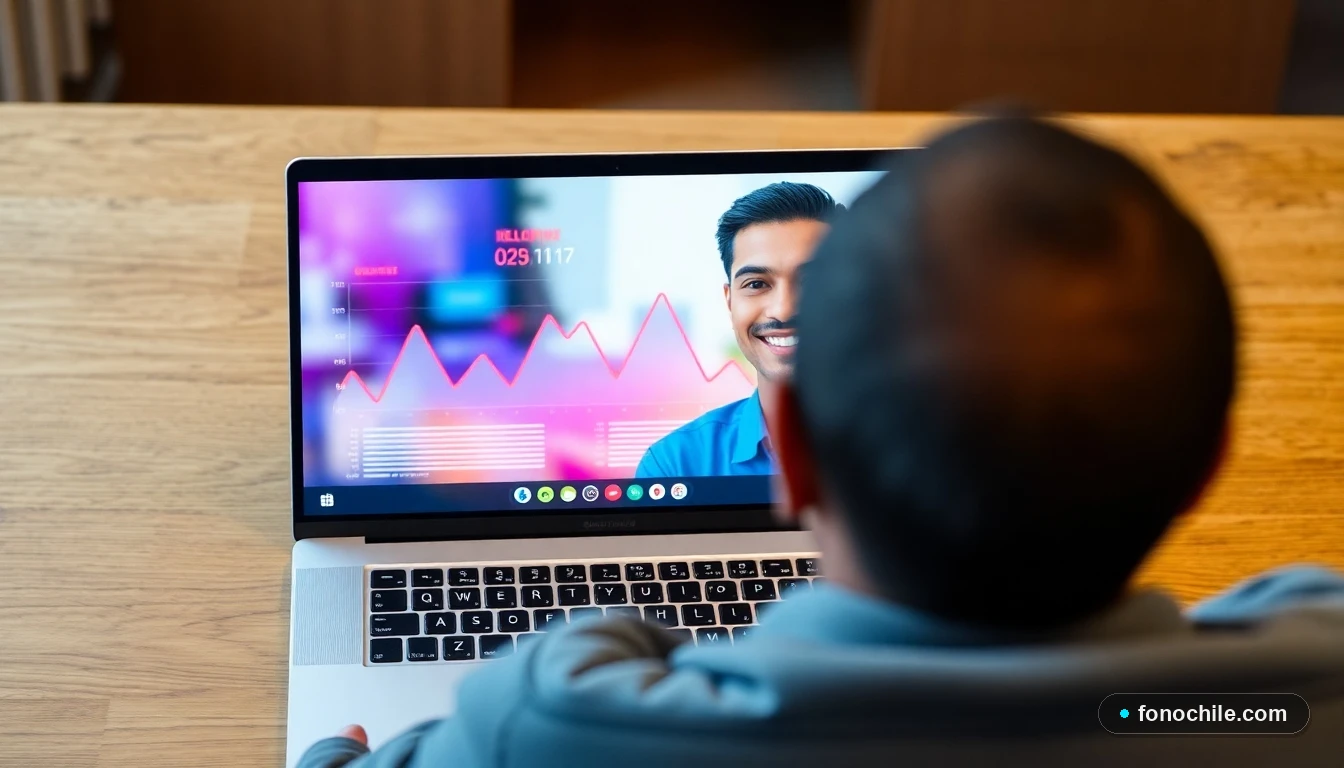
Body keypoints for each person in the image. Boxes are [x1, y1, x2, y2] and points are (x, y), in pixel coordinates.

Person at [298, 116, 1344, 768]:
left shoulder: (560, 716)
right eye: (757, 282)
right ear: (1207, 465)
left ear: (789, 454)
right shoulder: (1300, 698)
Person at [634, 181, 841, 479]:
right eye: (756, 284)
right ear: (730, 301)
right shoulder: (675, 465)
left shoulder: (922, 447)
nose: (783, 310)